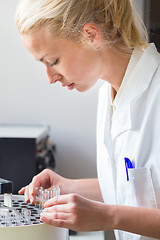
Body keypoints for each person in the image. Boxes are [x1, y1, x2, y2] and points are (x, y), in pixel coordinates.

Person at [15, 0, 160, 239]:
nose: (50, 77)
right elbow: (132, 187)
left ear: (91, 35)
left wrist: (108, 217)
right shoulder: (108, 94)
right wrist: (69, 187)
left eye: (53, 61)